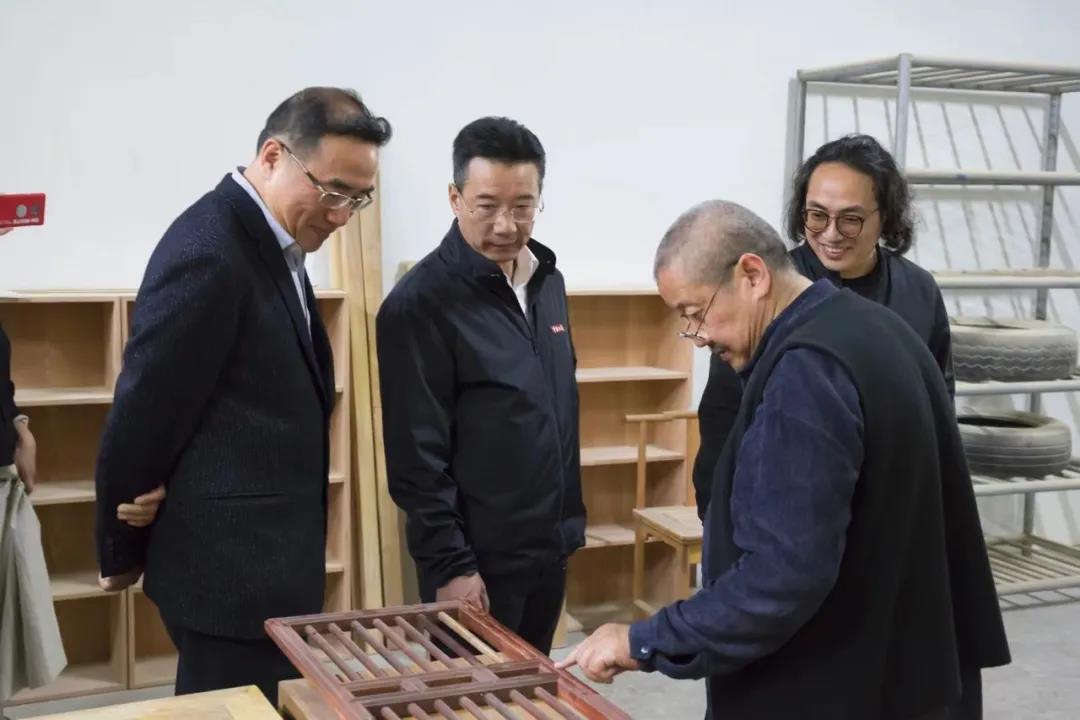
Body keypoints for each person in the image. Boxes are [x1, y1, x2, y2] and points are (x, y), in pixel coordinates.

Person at [558, 201, 1010, 719]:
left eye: (695, 313)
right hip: (909, 675)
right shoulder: (880, 329)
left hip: (832, 685)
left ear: (752, 275)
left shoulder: (806, 372)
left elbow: (781, 576)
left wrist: (645, 639)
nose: (698, 337)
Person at [94, 87, 391, 703]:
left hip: (265, 568)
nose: (341, 216)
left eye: (357, 199)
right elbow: (145, 407)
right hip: (226, 577)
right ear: (273, 156)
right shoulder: (211, 248)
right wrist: (122, 538)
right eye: (333, 191)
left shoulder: (274, 241)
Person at [376, 117, 583, 655]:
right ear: (455, 198)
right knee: (472, 693)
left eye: (523, 206)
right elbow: (416, 457)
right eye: (486, 206)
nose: (506, 226)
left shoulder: (547, 282)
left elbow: (554, 409)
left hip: (547, 551)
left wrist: (564, 532)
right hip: (477, 566)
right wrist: (451, 565)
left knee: (532, 689)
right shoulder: (420, 304)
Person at [693, 134, 954, 516]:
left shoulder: (918, 291)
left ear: (886, 216)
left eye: (850, 220)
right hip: (787, 510)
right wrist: (717, 514)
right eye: (817, 215)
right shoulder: (768, 288)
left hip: (887, 507)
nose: (831, 234)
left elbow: (937, 403)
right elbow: (723, 414)